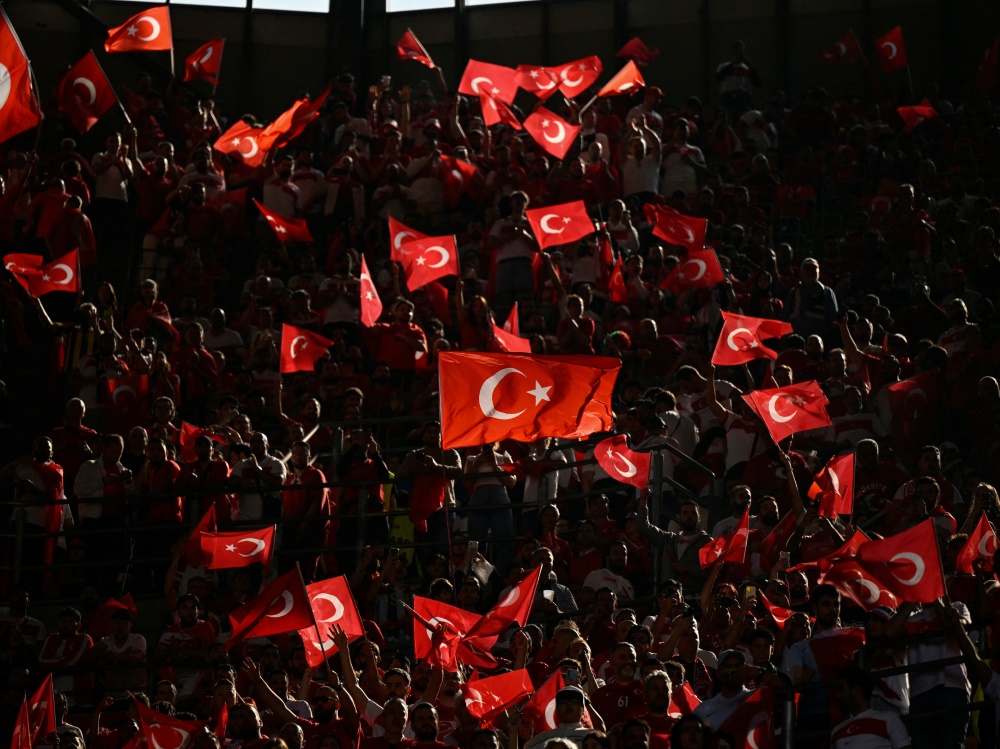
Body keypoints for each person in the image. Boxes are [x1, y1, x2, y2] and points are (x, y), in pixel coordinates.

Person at [831, 668, 912, 749]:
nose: (838, 696)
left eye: (842, 690)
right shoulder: (836, 731)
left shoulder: (889, 719)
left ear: (857, 691)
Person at [523, 687, 592, 749]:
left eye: (575, 702)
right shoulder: (542, 739)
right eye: (563, 702)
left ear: (583, 710)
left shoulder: (593, 738)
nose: (568, 704)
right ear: (557, 710)